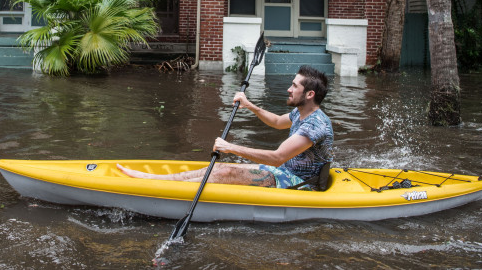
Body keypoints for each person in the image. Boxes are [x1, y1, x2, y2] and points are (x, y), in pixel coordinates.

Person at [118, 65, 333, 189]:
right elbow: (277, 122)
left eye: (294, 86)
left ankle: (163, 188)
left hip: (302, 184)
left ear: (309, 94)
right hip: (286, 173)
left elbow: (277, 157)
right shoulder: (301, 112)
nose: (289, 89)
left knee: (227, 171)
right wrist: (249, 106)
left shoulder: (315, 125)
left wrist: (231, 147)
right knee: (218, 168)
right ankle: (154, 181)